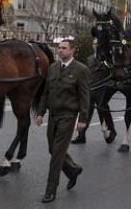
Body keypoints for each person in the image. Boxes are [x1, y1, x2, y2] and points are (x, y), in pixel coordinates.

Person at [35, 38, 91, 203]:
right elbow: (45, 93)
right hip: (53, 115)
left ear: (73, 50)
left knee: (57, 154)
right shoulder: (53, 68)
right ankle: (73, 170)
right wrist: (40, 113)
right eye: (59, 48)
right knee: (53, 149)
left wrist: (83, 119)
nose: (60, 50)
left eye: (64, 48)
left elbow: (84, 97)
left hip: (68, 116)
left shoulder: (81, 70)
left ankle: (50, 190)